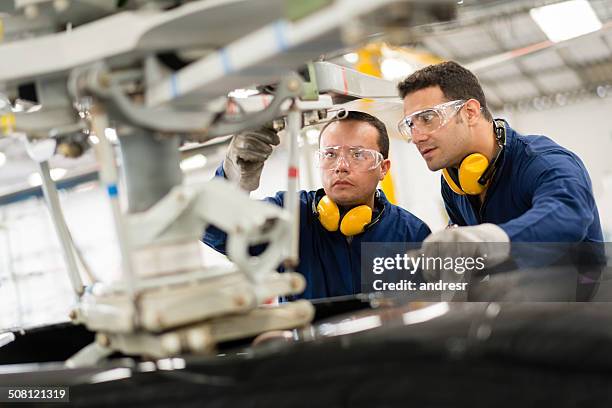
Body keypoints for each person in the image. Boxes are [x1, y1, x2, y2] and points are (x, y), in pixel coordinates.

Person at [396, 61, 604, 298]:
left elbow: (569, 214)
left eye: (427, 118)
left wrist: (488, 240)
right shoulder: (453, 183)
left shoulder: (542, 161)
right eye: (410, 124)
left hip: (584, 303)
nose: (417, 137)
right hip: (517, 305)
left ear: (470, 112)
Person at [203, 111, 431, 300]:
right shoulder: (290, 215)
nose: (341, 166)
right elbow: (212, 228)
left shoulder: (411, 234)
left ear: (384, 168)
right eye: (330, 154)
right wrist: (232, 176)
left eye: (358, 154)